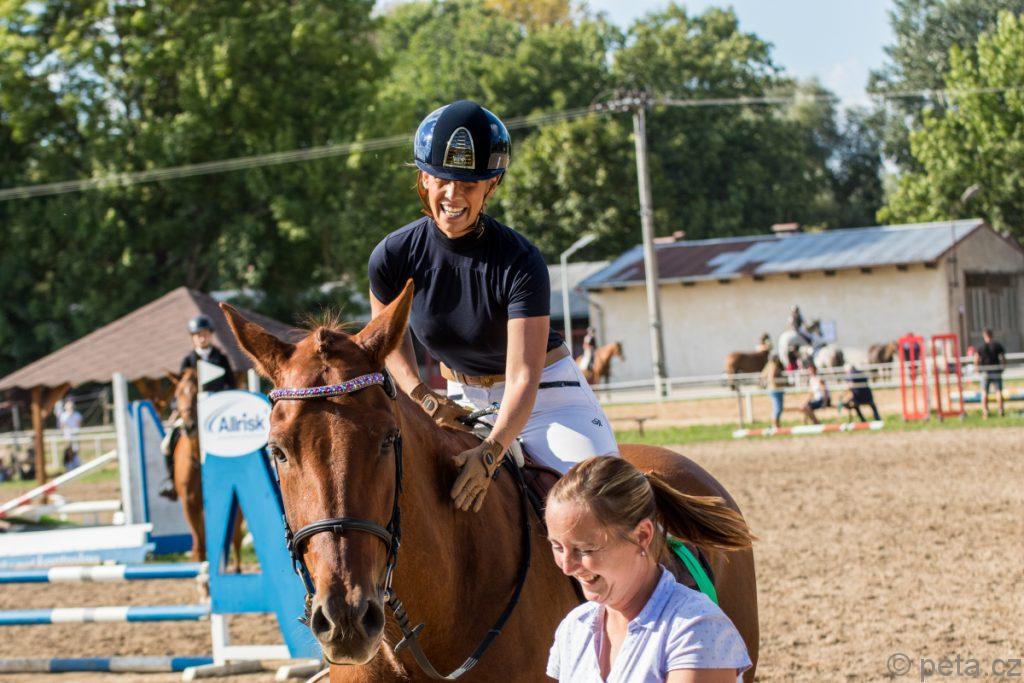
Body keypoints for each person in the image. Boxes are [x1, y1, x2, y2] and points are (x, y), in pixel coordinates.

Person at [368, 100, 617, 513]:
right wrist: (422, 396)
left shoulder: (521, 261)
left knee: (596, 507)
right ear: (424, 178)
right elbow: (387, 340)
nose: (453, 195)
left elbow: (523, 376)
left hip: (546, 399)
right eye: (442, 179)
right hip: (459, 402)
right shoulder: (391, 256)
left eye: (469, 184)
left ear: (492, 185)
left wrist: (490, 453)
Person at [545, 456, 753, 682]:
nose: (567, 567)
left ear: (642, 536)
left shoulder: (698, 629)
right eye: (557, 547)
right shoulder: (574, 628)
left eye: (586, 549)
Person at [158, 314, 237, 500]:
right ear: (193, 338)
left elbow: (231, 385)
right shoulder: (188, 360)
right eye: (197, 335)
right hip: (193, 413)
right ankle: (171, 482)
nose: (202, 338)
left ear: (210, 335)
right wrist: (179, 409)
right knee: (166, 444)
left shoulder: (221, 359)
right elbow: (181, 389)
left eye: (205, 334)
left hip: (217, 411)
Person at [973, 328, 1006, 418]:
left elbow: (976, 359)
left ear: (984, 336)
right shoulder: (997, 345)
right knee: (998, 391)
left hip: (985, 371)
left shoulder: (981, 346)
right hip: (996, 370)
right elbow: (1003, 357)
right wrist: (1003, 367)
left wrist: (977, 369)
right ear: (992, 335)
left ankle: (985, 411)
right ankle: (1000, 410)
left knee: (984, 392)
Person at [760, 355, 785, 429]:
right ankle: (775, 425)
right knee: (778, 408)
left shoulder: (768, 365)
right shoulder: (774, 366)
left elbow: (763, 375)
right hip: (776, 389)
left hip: (771, 389)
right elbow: (772, 376)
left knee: (777, 408)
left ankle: (776, 424)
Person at [57, 398, 82, 470]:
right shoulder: (63, 415)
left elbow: (78, 425)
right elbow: (62, 426)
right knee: (68, 450)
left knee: (75, 450)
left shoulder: (77, 415)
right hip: (67, 436)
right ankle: (69, 464)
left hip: (75, 435)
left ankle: (75, 463)